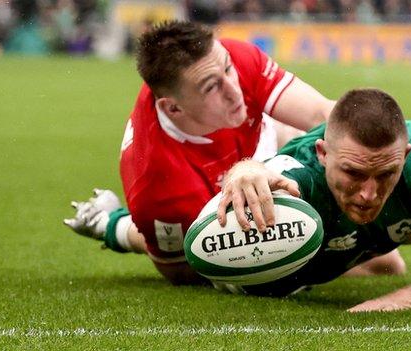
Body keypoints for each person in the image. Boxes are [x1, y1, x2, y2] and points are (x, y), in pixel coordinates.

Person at [64, 20, 353, 284]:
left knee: (375, 255)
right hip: (196, 194)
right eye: (211, 87)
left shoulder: (231, 59)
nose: (234, 90)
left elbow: (323, 113)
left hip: (263, 140)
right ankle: (111, 224)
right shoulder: (158, 186)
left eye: (228, 69)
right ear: (173, 108)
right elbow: (180, 266)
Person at [217, 88, 411, 311]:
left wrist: (396, 302)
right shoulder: (299, 173)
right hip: (291, 248)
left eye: (385, 174)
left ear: (404, 155)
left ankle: (370, 234)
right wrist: (247, 169)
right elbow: (267, 174)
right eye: (353, 173)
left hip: (364, 227)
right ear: (323, 153)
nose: (369, 193)